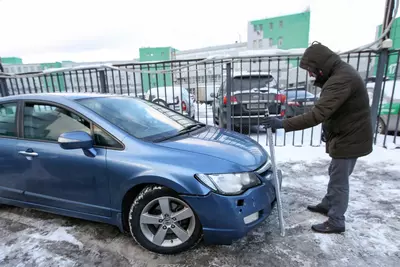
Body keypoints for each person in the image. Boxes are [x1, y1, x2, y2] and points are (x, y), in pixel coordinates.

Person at [263, 42, 373, 234]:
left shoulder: (341, 80)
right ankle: (328, 204)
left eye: (311, 70)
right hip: (347, 134)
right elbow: (335, 109)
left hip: (350, 138)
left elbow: (317, 114)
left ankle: (336, 220)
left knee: (339, 181)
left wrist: (283, 124)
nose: (310, 75)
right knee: (335, 173)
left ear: (320, 66)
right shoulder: (340, 74)